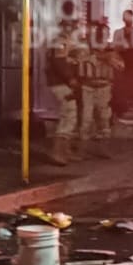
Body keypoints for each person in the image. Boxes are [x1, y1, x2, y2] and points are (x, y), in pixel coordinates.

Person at [77, 18, 122, 159]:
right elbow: (79, 61)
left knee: (104, 119)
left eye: (105, 33)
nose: (103, 36)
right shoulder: (86, 48)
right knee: (86, 119)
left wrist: (109, 58)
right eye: (100, 33)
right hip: (88, 86)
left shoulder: (112, 50)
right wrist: (101, 56)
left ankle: (103, 149)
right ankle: (82, 150)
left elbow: (120, 66)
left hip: (104, 87)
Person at [44, 18, 81, 165]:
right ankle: (58, 152)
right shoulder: (60, 42)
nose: (71, 30)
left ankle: (65, 151)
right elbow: (59, 63)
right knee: (69, 114)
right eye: (69, 27)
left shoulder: (65, 42)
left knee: (70, 114)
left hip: (63, 83)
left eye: (72, 27)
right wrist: (70, 78)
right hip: (61, 84)